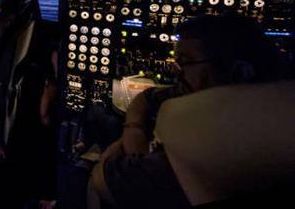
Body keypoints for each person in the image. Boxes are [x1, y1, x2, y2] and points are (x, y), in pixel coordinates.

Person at [90, 13, 286, 208]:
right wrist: (134, 127)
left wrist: (127, 141)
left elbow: (102, 177)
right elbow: (148, 96)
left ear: (239, 71)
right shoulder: (270, 108)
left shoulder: (215, 145)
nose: (178, 71)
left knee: (96, 126)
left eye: (186, 62)